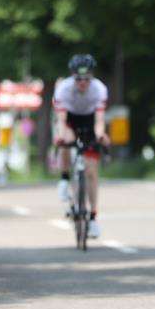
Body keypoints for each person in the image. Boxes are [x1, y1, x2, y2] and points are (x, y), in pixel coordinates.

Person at [54, 54, 110, 239]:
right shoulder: (63, 89)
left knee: (92, 171)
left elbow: (99, 120)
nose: (83, 82)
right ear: (73, 76)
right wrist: (60, 136)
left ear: (91, 76)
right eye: (78, 78)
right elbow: (61, 120)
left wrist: (101, 135)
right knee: (65, 140)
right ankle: (64, 178)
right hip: (70, 120)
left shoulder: (99, 89)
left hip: (90, 120)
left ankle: (92, 218)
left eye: (87, 78)